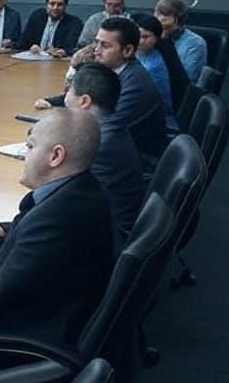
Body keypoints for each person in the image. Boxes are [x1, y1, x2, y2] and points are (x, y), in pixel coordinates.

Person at [0, 109, 113, 347]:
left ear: (55, 156)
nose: (23, 154)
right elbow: (40, 237)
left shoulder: (60, 216)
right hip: (60, 309)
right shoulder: (81, 189)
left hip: (30, 337)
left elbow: (1, 286)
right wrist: (4, 231)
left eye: (30, 147)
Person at [34, 17, 168, 166]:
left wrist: (51, 136)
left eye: (105, 45)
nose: (96, 50)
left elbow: (103, 128)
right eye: (96, 42)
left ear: (127, 50)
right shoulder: (115, 71)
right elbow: (88, 93)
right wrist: (51, 102)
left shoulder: (136, 85)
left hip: (136, 163)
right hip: (114, 152)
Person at [65, 62, 144, 250]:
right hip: (109, 224)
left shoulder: (97, 145)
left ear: (84, 101)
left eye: (68, 91)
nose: (65, 97)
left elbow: (58, 192)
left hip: (105, 242)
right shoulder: (109, 127)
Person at [133, 14, 179, 130]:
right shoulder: (140, 54)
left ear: (156, 39)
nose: (140, 41)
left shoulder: (153, 66)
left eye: (146, 37)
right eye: (138, 36)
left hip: (157, 117)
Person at [153, 0, 208, 83]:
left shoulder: (196, 44)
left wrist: (164, 42)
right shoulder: (152, 38)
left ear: (175, 20)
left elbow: (187, 79)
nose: (156, 20)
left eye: (161, 16)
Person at [18, 0, 83, 57]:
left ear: (65, 6)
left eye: (60, 4)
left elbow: (71, 48)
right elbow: (23, 42)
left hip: (57, 62)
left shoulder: (74, 23)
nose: (55, 7)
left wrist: (63, 52)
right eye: (52, 4)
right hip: (34, 58)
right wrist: (32, 47)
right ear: (46, 5)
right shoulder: (36, 16)